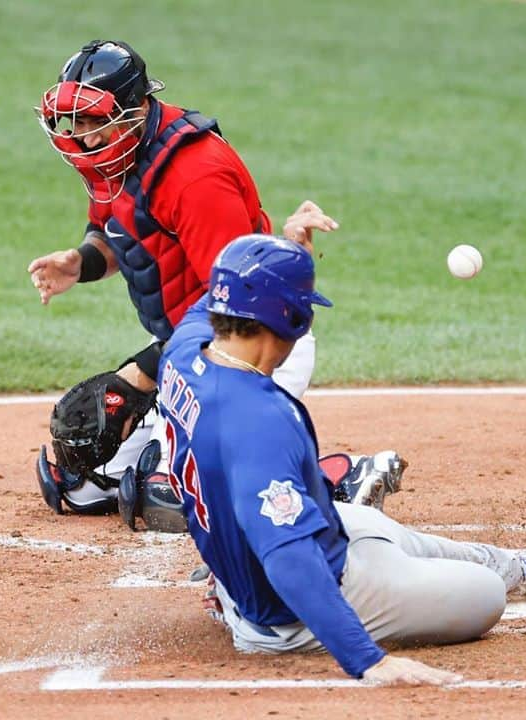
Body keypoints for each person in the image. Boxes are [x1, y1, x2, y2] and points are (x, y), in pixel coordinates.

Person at [157, 234, 526, 685]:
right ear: (288, 316)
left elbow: (221, 297)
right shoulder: (256, 418)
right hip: (287, 611)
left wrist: (283, 246)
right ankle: (494, 576)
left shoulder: (184, 352)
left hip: (305, 540)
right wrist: (367, 660)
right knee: (486, 595)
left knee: (379, 530)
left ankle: (504, 564)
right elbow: (288, 558)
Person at [27, 40, 399, 520]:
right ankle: (175, 450)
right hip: (190, 350)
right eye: (74, 123)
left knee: (174, 501)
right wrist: (81, 262)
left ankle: (341, 478)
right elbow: (119, 230)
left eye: (96, 122)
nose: (85, 138)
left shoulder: (195, 176)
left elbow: (232, 306)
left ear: (137, 110)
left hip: (252, 346)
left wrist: (138, 375)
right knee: (90, 486)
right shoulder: (115, 158)